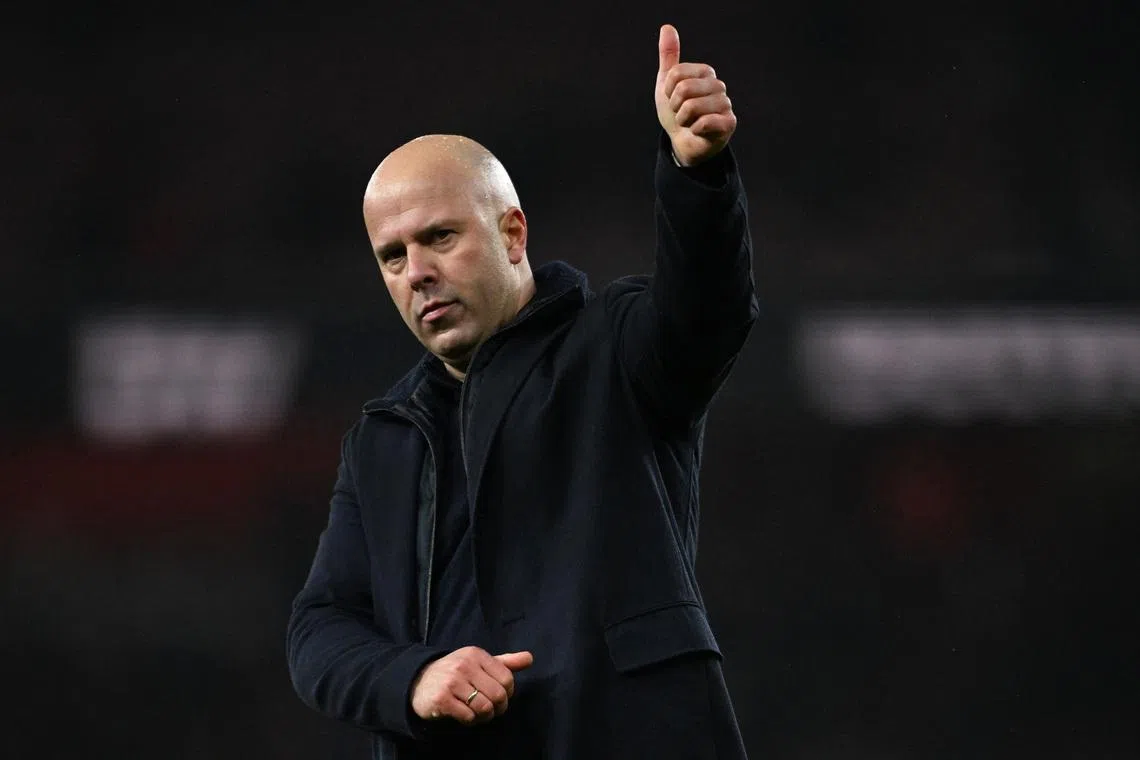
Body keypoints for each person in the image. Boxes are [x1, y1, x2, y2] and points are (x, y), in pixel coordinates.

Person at [287, 23, 757, 760]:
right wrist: (413, 678)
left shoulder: (615, 349)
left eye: (440, 238)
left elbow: (709, 314)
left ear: (513, 234)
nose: (416, 272)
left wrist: (696, 175)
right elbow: (320, 628)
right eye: (392, 255)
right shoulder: (383, 437)